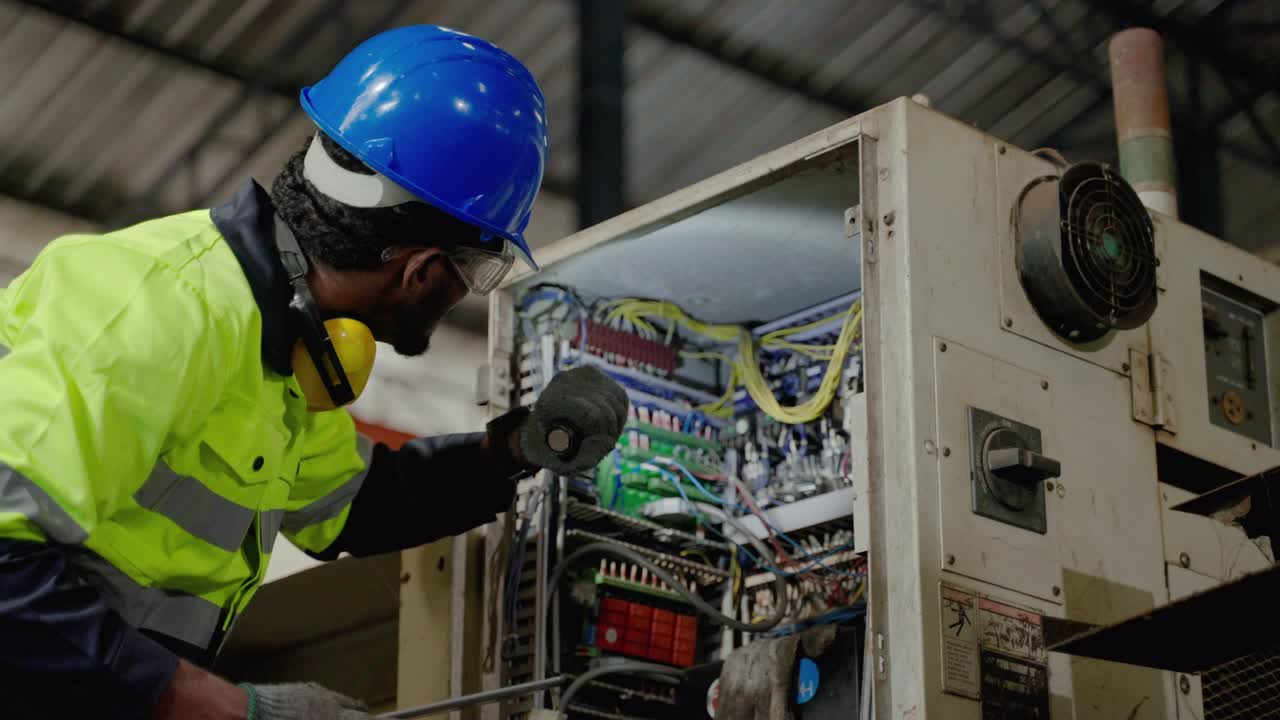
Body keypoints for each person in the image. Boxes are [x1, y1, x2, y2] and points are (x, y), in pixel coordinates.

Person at [0, 25, 627, 720]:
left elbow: (354, 505)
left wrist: (510, 450)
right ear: (422, 270)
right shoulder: (157, 307)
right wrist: (229, 708)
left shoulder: (287, 353)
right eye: (474, 271)